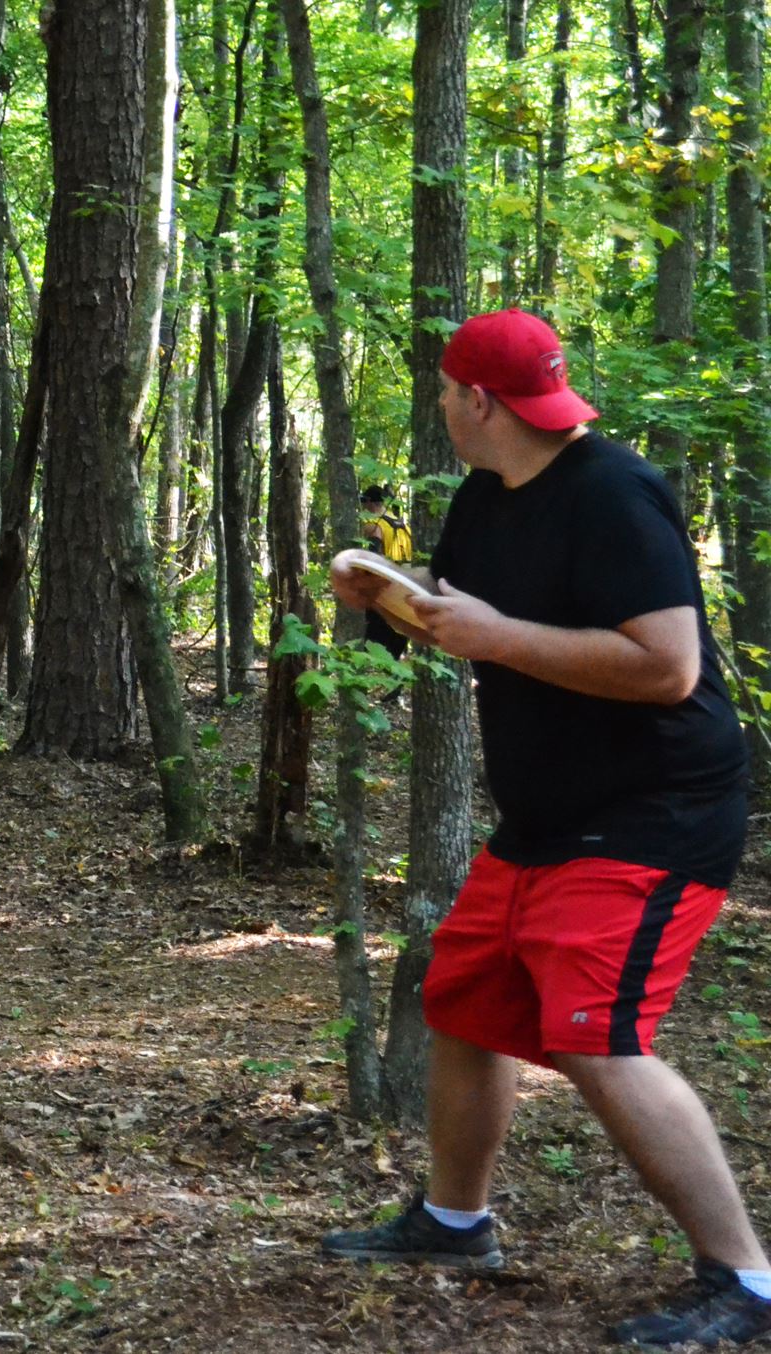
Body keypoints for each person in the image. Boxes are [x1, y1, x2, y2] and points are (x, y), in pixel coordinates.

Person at [323, 309, 764, 1346]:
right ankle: (455, 1221)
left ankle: (745, 1282)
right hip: (547, 816)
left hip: (658, 811)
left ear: (480, 401)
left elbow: (669, 667)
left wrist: (501, 638)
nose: (440, 406)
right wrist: (393, 596)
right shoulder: (484, 499)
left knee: (597, 1037)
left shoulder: (613, 494)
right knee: (467, 1003)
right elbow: (470, 617)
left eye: (444, 391)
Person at [359, 484, 412, 660]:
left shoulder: (374, 525)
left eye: (362, 501)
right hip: (407, 585)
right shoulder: (404, 525)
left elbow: (373, 554)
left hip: (384, 586)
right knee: (398, 634)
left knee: (376, 639)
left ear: (370, 502)